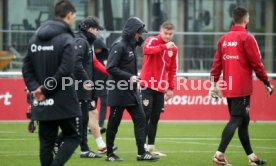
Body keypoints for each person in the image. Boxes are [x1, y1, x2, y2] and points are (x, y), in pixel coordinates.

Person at [209, 7, 273, 166]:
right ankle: (219, 155)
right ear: (246, 19)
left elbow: (216, 65)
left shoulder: (223, 39)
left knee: (243, 122)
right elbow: (257, 63)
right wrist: (266, 82)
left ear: (233, 19)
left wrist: (213, 84)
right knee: (236, 120)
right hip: (242, 88)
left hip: (229, 88)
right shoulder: (247, 38)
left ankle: (252, 157)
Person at [22, 0, 81, 165]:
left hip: (42, 100)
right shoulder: (67, 38)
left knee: (46, 144)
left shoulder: (35, 38)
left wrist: (36, 89)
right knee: (74, 136)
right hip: (63, 100)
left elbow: (26, 68)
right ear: (69, 15)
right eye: (74, 16)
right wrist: (45, 89)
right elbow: (65, 70)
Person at [105, 17, 159, 162]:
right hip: (118, 92)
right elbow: (110, 67)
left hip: (131, 92)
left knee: (141, 119)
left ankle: (141, 153)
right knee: (113, 124)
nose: (140, 35)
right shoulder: (119, 45)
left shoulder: (130, 45)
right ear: (133, 31)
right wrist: (130, 77)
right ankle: (109, 153)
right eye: (139, 33)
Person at [139, 21, 178, 156]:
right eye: (165, 33)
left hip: (161, 88)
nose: (168, 36)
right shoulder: (152, 40)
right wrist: (163, 47)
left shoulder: (174, 48)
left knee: (155, 118)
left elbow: (172, 69)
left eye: (170, 34)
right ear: (161, 32)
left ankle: (150, 147)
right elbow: (146, 50)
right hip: (147, 85)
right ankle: (142, 148)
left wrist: (170, 88)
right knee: (146, 116)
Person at [93, 38, 109, 130]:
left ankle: (100, 124)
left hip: (104, 82)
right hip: (93, 82)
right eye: (96, 48)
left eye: (99, 48)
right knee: (92, 105)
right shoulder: (91, 55)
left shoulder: (107, 54)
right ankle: (92, 124)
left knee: (104, 103)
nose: (98, 50)